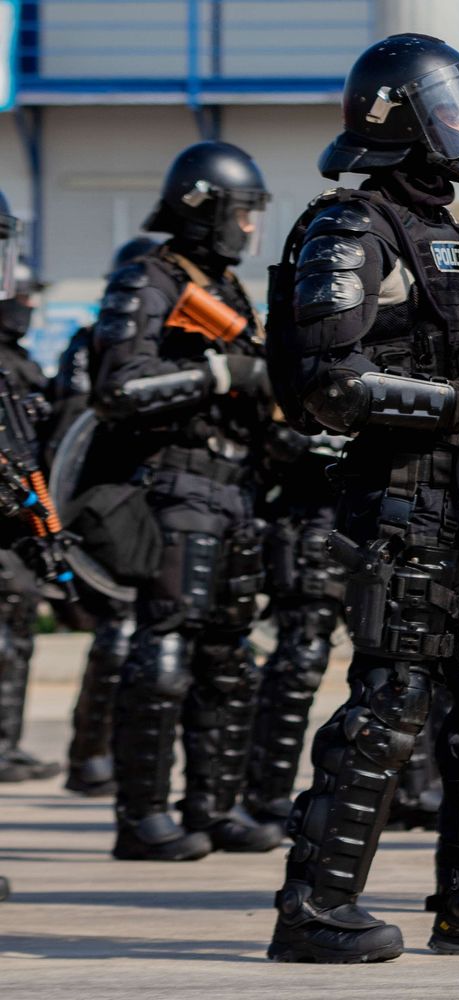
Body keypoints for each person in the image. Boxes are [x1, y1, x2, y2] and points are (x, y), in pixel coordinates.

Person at [265, 34, 459, 962]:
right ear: (402, 121)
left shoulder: (454, 236)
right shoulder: (352, 227)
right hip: (406, 506)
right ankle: (314, 911)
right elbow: (333, 382)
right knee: (392, 704)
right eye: (448, 112)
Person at [91, 140, 281, 860]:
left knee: (229, 661)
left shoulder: (227, 290)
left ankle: (213, 808)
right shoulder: (148, 279)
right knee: (164, 653)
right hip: (174, 486)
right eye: (243, 212)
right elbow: (118, 389)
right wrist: (218, 374)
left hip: (235, 493)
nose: (250, 227)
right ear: (203, 207)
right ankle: (142, 817)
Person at [51, 239, 159, 797]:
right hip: (107, 496)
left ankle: (109, 755)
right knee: (120, 630)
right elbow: (77, 424)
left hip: (138, 493)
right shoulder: (96, 343)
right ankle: (91, 754)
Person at [242, 420, 347, 828]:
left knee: (403, 665)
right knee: (300, 660)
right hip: (314, 513)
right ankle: (265, 794)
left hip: (393, 509)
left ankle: (407, 793)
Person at [0, 246, 61, 785]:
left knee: (18, 631)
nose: (25, 307)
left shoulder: (19, 362)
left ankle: (7, 743)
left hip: (19, 521)